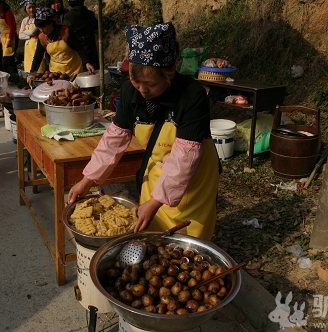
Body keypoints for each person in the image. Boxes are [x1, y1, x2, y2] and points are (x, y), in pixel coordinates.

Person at [68, 22, 220, 241]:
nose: (142, 90)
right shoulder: (130, 92)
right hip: (157, 174)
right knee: (151, 238)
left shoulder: (192, 96)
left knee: (187, 242)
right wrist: (88, 179)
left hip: (193, 177)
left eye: (150, 84)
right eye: (135, 81)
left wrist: (156, 202)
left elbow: (184, 158)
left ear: (170, 74)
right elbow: (114, 140)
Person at [28, 8, 83, 77]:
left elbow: (79, 47)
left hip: (73, 71)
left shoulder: (66, 31)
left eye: (44, 27)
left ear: (51, 23)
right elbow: (38, 55)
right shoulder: (42, 37)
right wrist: (32, 73)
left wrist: (87, 62)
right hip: (55, 74)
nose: (42, 30)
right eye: (39, 28)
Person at [63, 0, 99, 73]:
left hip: (77, 48)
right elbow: (96, 26)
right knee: (94, 71)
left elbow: (66, 34)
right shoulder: (90, 14)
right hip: (91, 45)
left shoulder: (68, 16)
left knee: (81, 73)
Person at [0, 0, 19, 83]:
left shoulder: (8, 13)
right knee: (5, 61)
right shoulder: (0, 14)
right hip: (3, 39)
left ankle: (15, 80)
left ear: (1, 4)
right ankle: (9, 81)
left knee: (8, 61)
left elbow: (13, 28)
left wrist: (9, 40)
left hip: (9, 39)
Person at [19, 0, 45, 74]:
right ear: (25, 9)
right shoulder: (24, 21)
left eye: (33, 7)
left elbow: (32, 32)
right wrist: (30, 35)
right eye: (29, 8)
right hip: (28, 49)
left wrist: (25, 32)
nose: (31, 10)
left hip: (38, 46)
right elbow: (20, 36)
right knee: (29, 71)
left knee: (39, 70)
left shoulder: (39, 18)